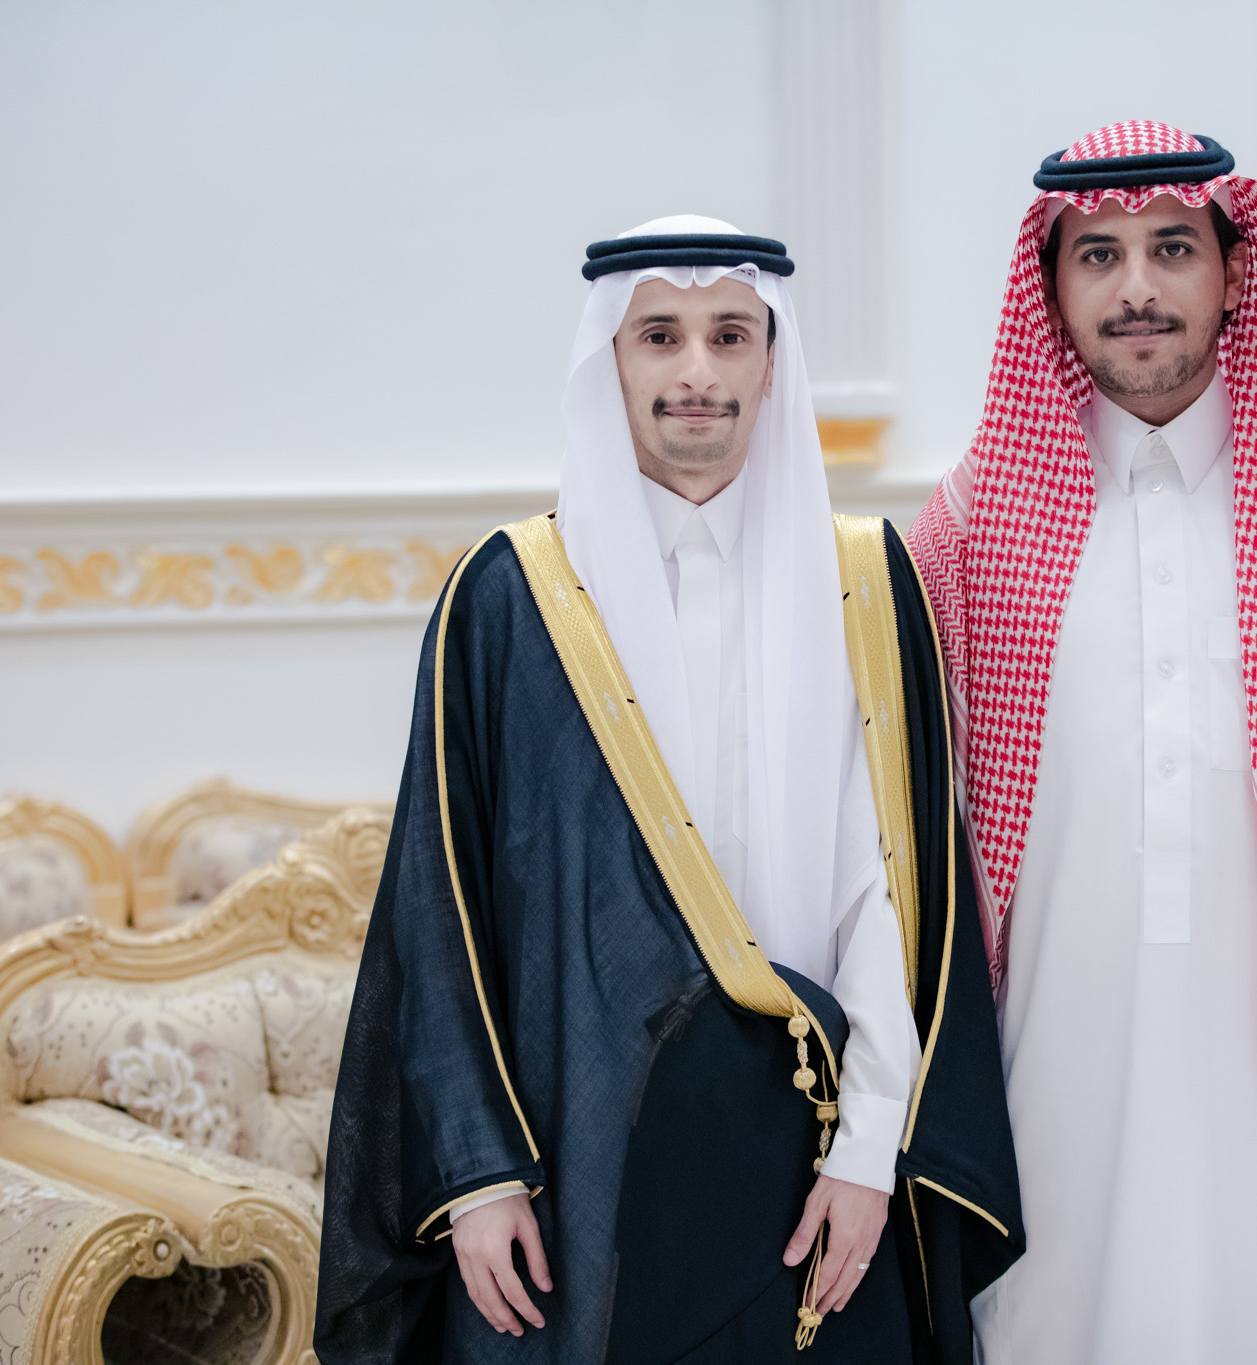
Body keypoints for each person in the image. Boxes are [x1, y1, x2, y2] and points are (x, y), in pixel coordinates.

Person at [317, 216, 1020, 1365]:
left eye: (728, 335)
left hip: (813, 1161)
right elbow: (439, 913)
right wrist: (479, 1175)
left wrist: (868, 1152)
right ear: (610, 359)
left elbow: (890, 899)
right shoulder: (509, 597)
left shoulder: (863, 580)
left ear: (771, 363)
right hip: (579, 1157)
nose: (696, 370)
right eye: (660, 336)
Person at [905, 123, 1257, 1361]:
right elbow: (902, 849)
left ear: (1231, 272)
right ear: (1051, 290)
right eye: (1096, 255)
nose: (1136, 288)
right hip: (1049, 1098)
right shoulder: (968, 530)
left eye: (1171, 248)